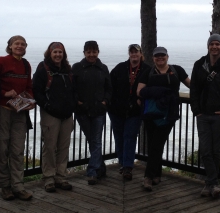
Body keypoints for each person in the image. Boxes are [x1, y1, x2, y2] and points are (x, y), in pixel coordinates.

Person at [190, 34, 220, 199]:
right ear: (208, 46)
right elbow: (194, 89)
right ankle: (213, 183)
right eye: (212, 44)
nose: (215, 47)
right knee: (205, 150)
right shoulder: (199, 65)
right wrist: (196, 110)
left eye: (218, 44)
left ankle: (210, 184)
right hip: (203, 115)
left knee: (215, 150)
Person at [137, 46, 190, 191]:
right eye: (157, 56)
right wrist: (162, 92)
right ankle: (156, 175)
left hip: (168, 115)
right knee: (154, 144)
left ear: (167, 56)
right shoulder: (148, 72)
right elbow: (139, 91)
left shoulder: (177, 70)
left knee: (156, 144)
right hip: (151, 114)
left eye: (163, 55)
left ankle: (148, 177)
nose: (160, 58)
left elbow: (192, 85)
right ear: (153, 58)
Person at [0, 35, 35, 201]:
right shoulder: (0, 62)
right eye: (16, 43)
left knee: (17, 150)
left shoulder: (25, 64)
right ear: (9, 46)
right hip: (2, 110)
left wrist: (31, 101)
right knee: (2, 149)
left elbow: (29, 86)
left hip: (20, 112)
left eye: (23, 44)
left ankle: (18, 186)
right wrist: (4, 93)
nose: (20, 46)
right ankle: (5, 186)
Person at [33, 42, 76, 192]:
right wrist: (47, 106)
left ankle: (61, 177)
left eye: (60, 52)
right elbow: (36, 92)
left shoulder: (67, 71)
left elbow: (73, 90)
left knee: (64, 147)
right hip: (50, 114)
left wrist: (72, 106)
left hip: (66, 115)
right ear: (49, 53)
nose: (58, 55)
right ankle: (49, 178)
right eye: (55, 52)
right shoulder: (43, 70)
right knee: (50, 147)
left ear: (63, 54)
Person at [108, 44, 151, 180]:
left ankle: (128, 167)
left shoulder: (147, 69)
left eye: (136, 52)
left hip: (135, 111)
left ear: (141, 54)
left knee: (130, 136)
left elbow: (151, 88)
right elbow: (108, 85)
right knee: (119, 137)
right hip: (116, 110)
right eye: (131, 52)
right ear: (129, 54)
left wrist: (141, 98)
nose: (134, 54)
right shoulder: (120, 68)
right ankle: (122, 163)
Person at [72, 41, 112, 185]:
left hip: (99, 111)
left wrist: (105, 101)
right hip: (82, 111)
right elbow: (72, 88)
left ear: (98, 52)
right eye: (88, 52)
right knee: (92, 140)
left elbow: (109, 88)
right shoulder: (77, 67)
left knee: (95, 140)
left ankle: (92, 172)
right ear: (84, 53)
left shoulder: (103, 68)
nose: (91, 54)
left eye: (94, 51)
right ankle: (101, 167)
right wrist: (77, 101)